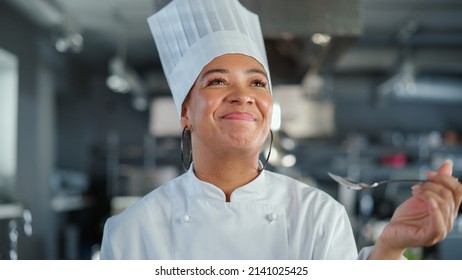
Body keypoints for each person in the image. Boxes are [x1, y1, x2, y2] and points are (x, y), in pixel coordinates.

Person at [100, 0, 462, 259]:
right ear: (185, 112)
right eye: (218, 81)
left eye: (257, 83)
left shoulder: (319, 215)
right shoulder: (131, 231)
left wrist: (391, 246)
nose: (243, 96)